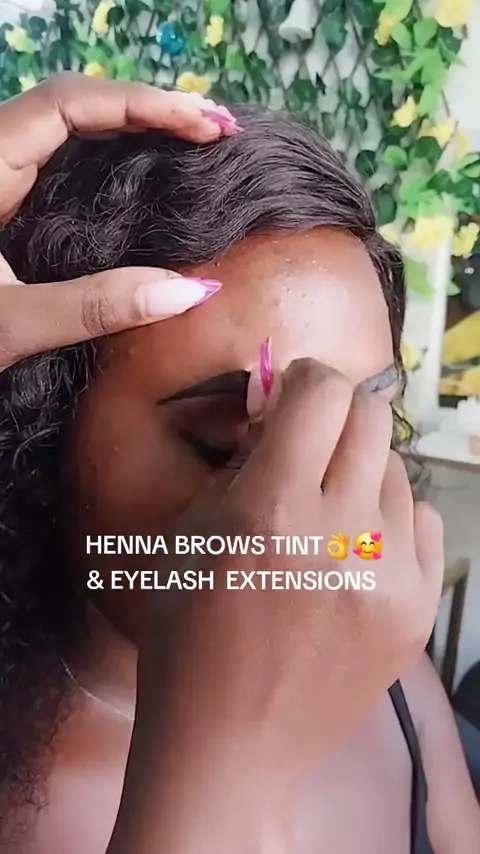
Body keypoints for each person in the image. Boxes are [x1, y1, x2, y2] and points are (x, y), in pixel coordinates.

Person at [0, 76, 477, 854]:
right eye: (227, 446)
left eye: (367, 422)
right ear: (42, 435)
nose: (321, 504)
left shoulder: (391, 676)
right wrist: (225, 781)